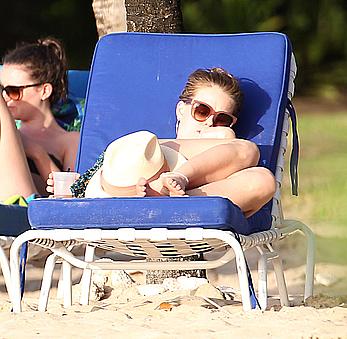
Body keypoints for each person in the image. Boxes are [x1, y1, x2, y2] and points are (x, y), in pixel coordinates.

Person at [47, 67, 275, 218]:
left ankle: (168, 199)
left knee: (263, 180)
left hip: (164, 202)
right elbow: (232, 142)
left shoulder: (226, 157)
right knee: (247, 149)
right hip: (126, 196)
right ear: (181, 109)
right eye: (202, 110)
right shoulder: (147, 149)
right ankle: (179, 178)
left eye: (222, 119)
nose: (210, 123)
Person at [0, 37, 80, 198]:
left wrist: (38, 153)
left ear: (44, 91)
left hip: (25, 207)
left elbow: (71, 199)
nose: (6, 97)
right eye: (3, 90)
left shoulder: (70, 141)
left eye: (13, 91)